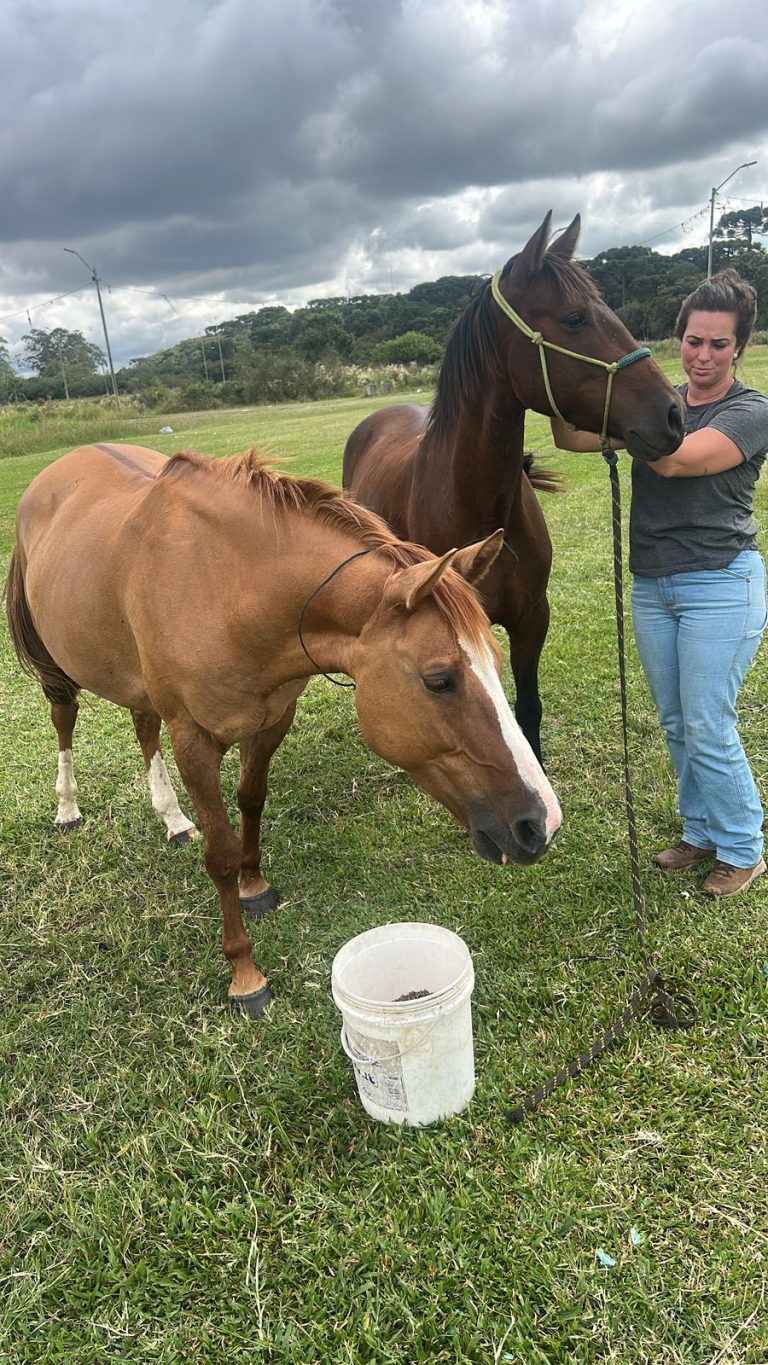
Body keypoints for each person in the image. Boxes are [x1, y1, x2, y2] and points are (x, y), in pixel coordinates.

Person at [551, 269, 768, 897]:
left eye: (717, 344)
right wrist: (561, 385)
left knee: (707, 720)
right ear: (678, 341)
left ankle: (744, 847)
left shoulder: (751, 412)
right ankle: (700, 830)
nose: (702, 356)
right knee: (676, 722)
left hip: (720, 584)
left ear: (738, 348)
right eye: (693, 341)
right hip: (654, 586)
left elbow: (677, 460)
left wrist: (629, 427)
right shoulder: (659, 401)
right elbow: (570, 434)